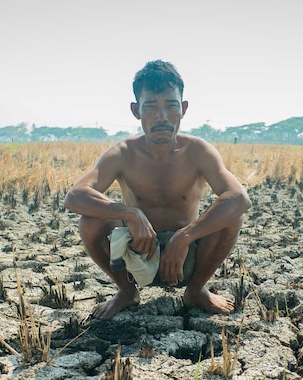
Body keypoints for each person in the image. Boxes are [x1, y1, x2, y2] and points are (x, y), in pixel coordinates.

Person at [64, 60, 252, 320]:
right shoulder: (123, 153)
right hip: (138, 255)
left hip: (187, 257)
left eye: (171, 106)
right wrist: (130, 213)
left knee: (232, 218)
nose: (161, 117)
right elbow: (75, 196)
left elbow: (239, 198)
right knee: (90, 222)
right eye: (151, 106)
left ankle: (196, 291)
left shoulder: (198, 151)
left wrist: (186, 236)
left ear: (183, 109)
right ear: (136, 110)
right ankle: (126, 292)